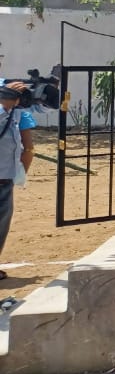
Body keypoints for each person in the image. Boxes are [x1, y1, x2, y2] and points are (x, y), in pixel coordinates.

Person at [0, 83, 34, 279]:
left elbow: (43, 105)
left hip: (5, 179)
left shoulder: (15, 114)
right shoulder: (4, 111)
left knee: (2, 227)